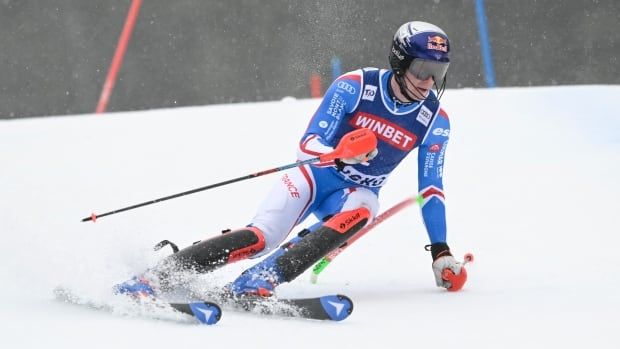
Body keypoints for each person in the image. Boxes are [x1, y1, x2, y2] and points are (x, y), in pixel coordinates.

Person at [115, 21, 468, 298]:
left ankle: (262, 279)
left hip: (354, 195)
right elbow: (308, 143)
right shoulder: (356, 86)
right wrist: (340, 153)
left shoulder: (436, 120)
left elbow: (432, 188)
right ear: (400, 61)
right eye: (422, 69)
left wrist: (441, 251)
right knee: (259, 239)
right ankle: (157, 276)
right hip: (314, 178)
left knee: (363, 209)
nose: (428, 82)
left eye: (438, 72)